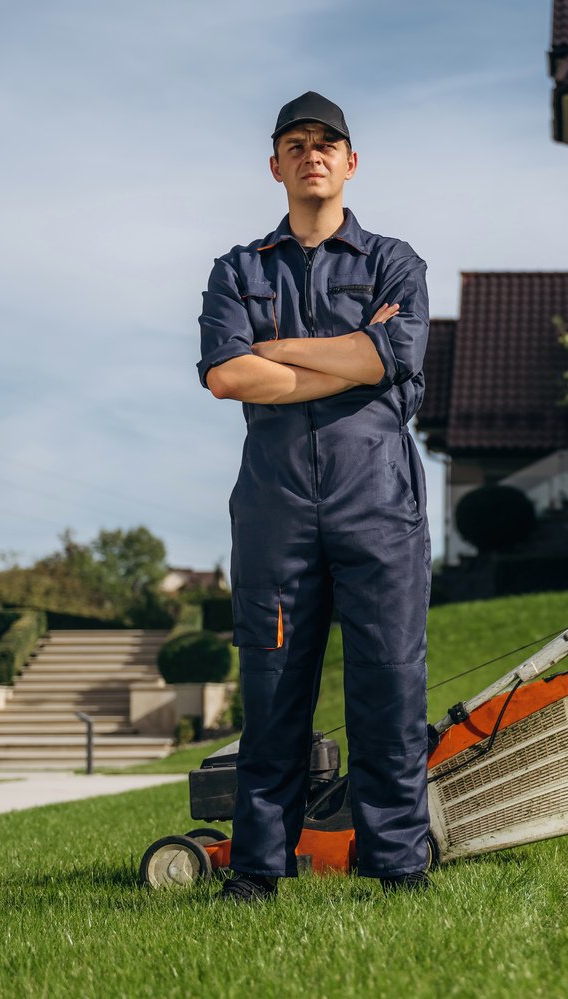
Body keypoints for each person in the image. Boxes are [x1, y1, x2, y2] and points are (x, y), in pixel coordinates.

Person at [196, 91, 433, 901]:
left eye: (327, 141)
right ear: (276, 166)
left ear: (350, 160)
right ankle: (258, 870)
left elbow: (387, 358)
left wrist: (284, 354)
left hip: (379, 504)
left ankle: (398, 863)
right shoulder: (240, 269)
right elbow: (228, 375)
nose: (312, 153)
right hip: (276, 511)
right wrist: (349, 351)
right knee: (272, 690)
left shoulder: (395, 263)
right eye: (295, 143)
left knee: (390, 686)